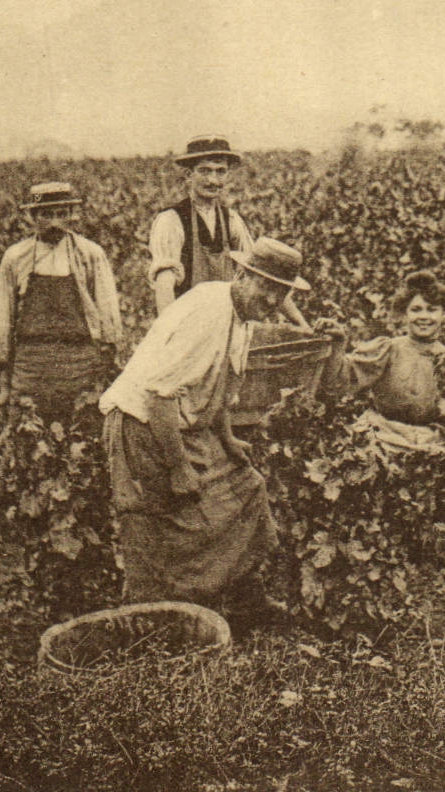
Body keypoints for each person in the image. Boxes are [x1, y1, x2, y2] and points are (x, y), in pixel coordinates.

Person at [99, 237, 321, 621]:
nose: (271, 299)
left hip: (183, 427)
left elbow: (217, 384)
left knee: (246, 488)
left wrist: (228, 438)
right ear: (242, 274)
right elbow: (160, 397)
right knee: (156, 525)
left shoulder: (242, 316)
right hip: (141, 426)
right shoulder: (208, 311)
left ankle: (241, 597)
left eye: (280, 292)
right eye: (266, 286)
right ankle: (151, 620)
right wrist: (180, 467)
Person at [0, 182, 123, 420]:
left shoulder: (89, 254)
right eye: (46, 215)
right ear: (32, 216)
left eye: (61, 215)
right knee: (27, 434)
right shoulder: (15, 257)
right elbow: (3, 318)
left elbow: (108, 312)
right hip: (30, 365)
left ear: (72, 216)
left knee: (82, 434)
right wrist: (4, 381)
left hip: (79, 362)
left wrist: (105, 363)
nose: (54, 223)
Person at [148, 134, 309, 329]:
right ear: (189, 175)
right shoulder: (171, 220)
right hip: (187, 326)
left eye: (220, 172)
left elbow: (262, 274)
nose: (213, 180)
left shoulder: (231, 221)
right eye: (204, 171)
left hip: (225, 326)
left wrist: (302, 324)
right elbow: (164, 286)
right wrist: (170, 336)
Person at [321, 270, 445, 454]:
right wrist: (338, 343)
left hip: (434, 444)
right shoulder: (388, 349)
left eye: (432, 310)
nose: (424, 317)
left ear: (444, 314)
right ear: (404, 313)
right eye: (416, 309)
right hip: (385, 438)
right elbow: (337, 382)